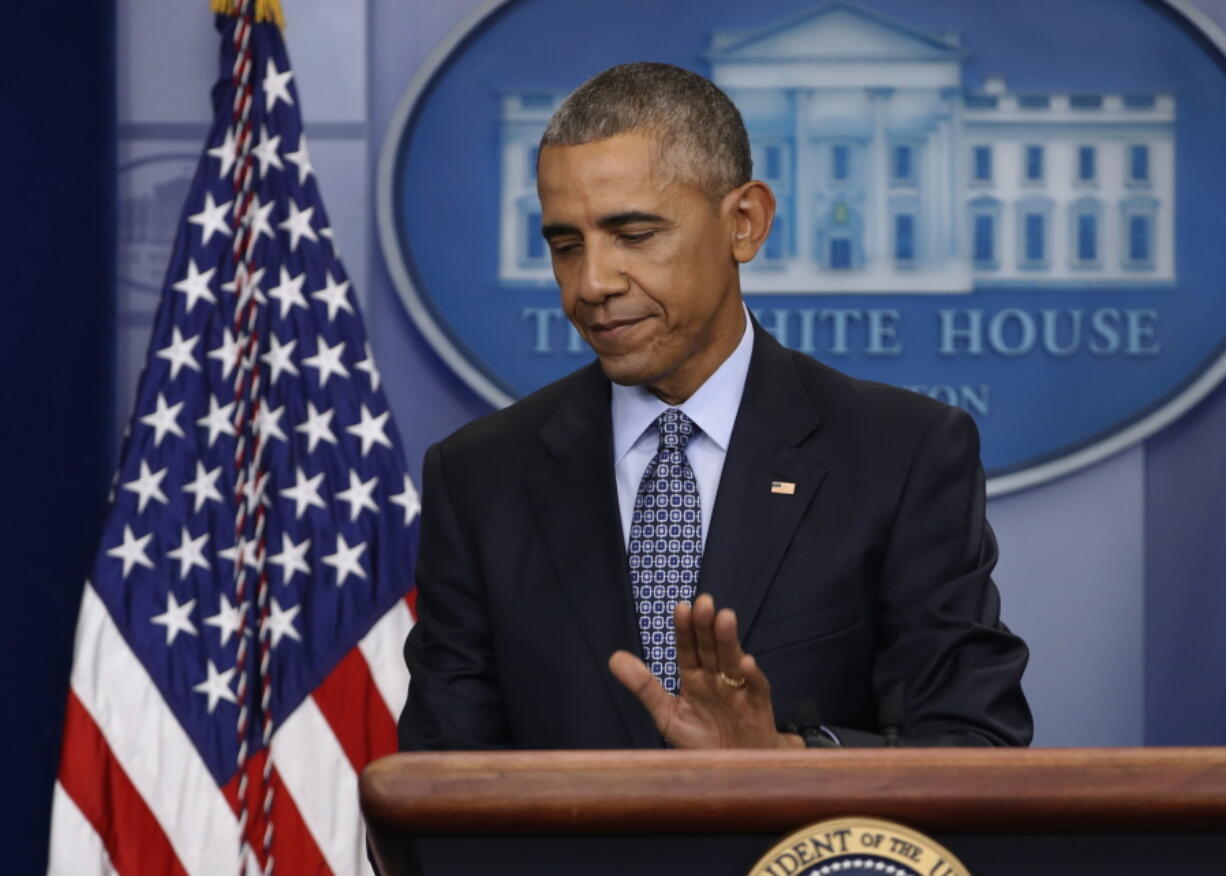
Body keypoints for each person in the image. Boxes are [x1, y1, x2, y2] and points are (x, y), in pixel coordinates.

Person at [399, 62, 1032, 751]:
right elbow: (439, 787)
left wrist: (787, 761)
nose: (592, 282)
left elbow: (973, 743)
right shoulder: (479, 478)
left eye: (635, 236)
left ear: (744, 223)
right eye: (565, 245)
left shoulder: (902, 454)